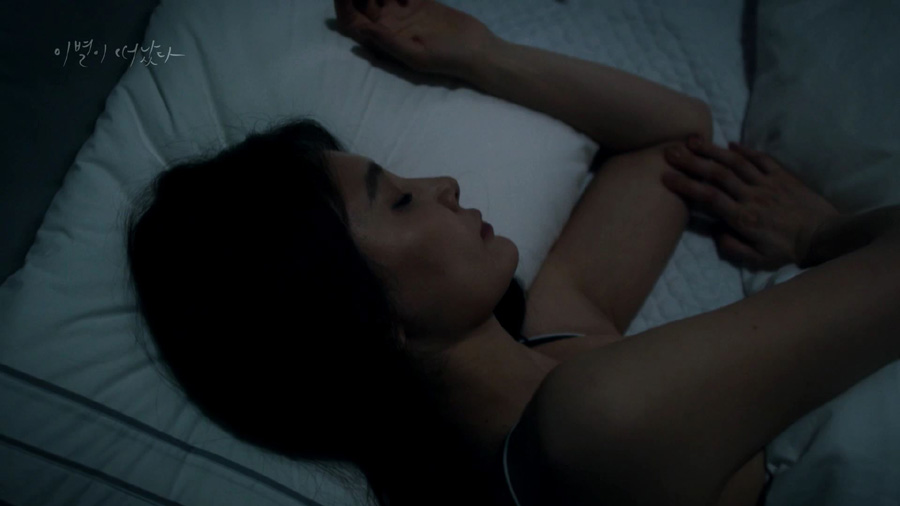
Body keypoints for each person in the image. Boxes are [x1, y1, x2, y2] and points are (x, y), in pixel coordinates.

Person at [125, 0, 900, 505]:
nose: (443, 184)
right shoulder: (588, 427)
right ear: (366, 317)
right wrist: (818, 236)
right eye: (398, 200)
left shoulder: (559, 342)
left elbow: (675, 141)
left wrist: (481, 56)